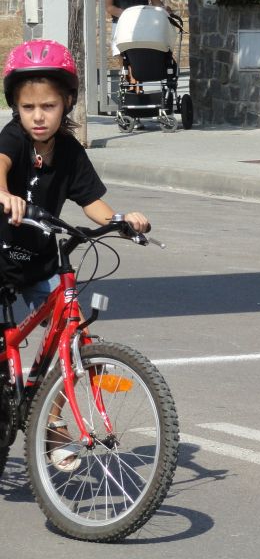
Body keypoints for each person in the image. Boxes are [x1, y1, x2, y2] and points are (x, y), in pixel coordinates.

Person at [0, 39, 151, 471]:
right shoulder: (12, 139)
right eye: (28, 107)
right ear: (16, 107)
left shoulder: (69, 151)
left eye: (48, 105)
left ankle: (50, 424)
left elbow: (92, 203)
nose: (38, 116)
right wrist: (4, 195)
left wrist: (122, 219)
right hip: (0, 258)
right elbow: (0, 165)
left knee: (72, 337)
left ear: (66, 103)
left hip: (41, 260)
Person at [105, 0, 170, 124]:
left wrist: (164, 10)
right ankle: (134, 107)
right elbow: (109, 7)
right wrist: (128, 15)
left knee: (143, 63)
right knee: (128, 66)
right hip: (123, 25)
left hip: (143, 26)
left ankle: (142, 106)